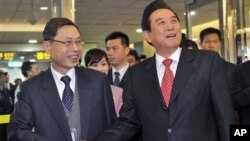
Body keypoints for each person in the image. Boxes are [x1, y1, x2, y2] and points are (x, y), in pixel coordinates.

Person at [94, 1, 235, 141]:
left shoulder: (207, 62)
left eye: (174, 21)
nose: (170, 26)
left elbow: (225, 115)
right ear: (148, 36)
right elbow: (128, 122)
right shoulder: (136, 74)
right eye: (161, 22)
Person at [8, 17, 116, 141]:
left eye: (78, 41)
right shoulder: (31, 89)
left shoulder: (98, 81)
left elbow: (112, 127)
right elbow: (16, 130)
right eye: (68, 42)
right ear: (48, 46)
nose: (76, 48)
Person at [84, 48, 123, 116]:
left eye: (103, 64)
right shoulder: (81, 91)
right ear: (86, 68)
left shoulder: (119, 92)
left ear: (109, 66)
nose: (100, 69)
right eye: (95, 65)